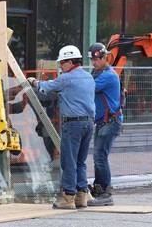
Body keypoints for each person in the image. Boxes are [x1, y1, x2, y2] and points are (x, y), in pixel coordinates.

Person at [27, 45, 95, 210]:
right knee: (80, 161)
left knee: (69, 161)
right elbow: (75, 95)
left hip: (73, 124)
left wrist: (33, 81)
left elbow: (46, 87)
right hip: (88, 123)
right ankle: (81, 196)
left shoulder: (67, 78)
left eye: (62, 62)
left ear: (70, 62)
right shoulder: (88, 77)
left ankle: (68, 197)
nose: (59, 66)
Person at [87, 42, 123, 206]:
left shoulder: (108, 75)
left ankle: (106, 193)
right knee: (98, 157)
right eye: (92, 60)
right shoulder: (100, 73)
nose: (93, 63)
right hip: (103, 122)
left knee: (100, 156)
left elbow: (88, 88)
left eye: (96, 60)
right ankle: (98, 188)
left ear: (104, 58)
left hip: (110, 122)